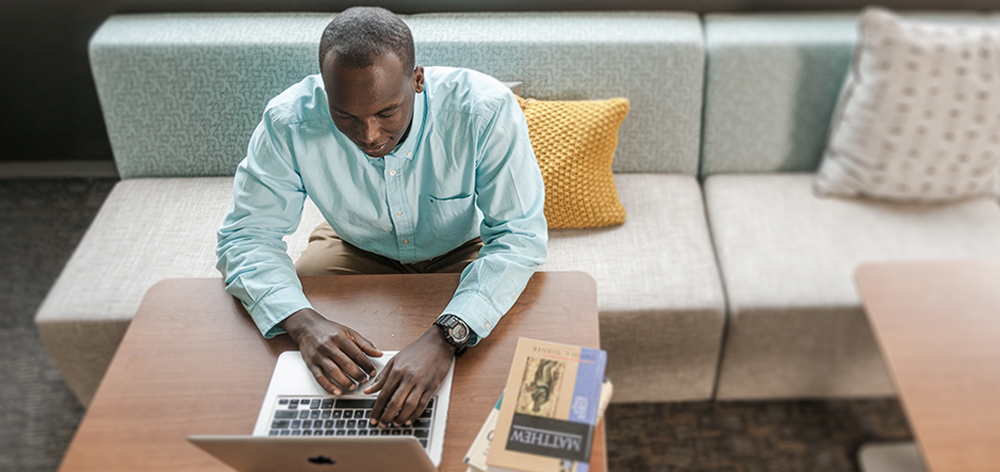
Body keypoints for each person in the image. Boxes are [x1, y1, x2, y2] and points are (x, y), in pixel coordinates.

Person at [215, 7, 547, 430]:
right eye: (345, 115)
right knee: (285, 366)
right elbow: (246, 236)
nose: (368, 135)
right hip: (354, 245)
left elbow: (518, 236)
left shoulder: (484, 110)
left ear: (418, 80)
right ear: (325, 91)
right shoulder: (288, 121)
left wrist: (447, 336)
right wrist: (303, 323)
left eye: (386, 112)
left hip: (463, 246)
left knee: (495, 371)